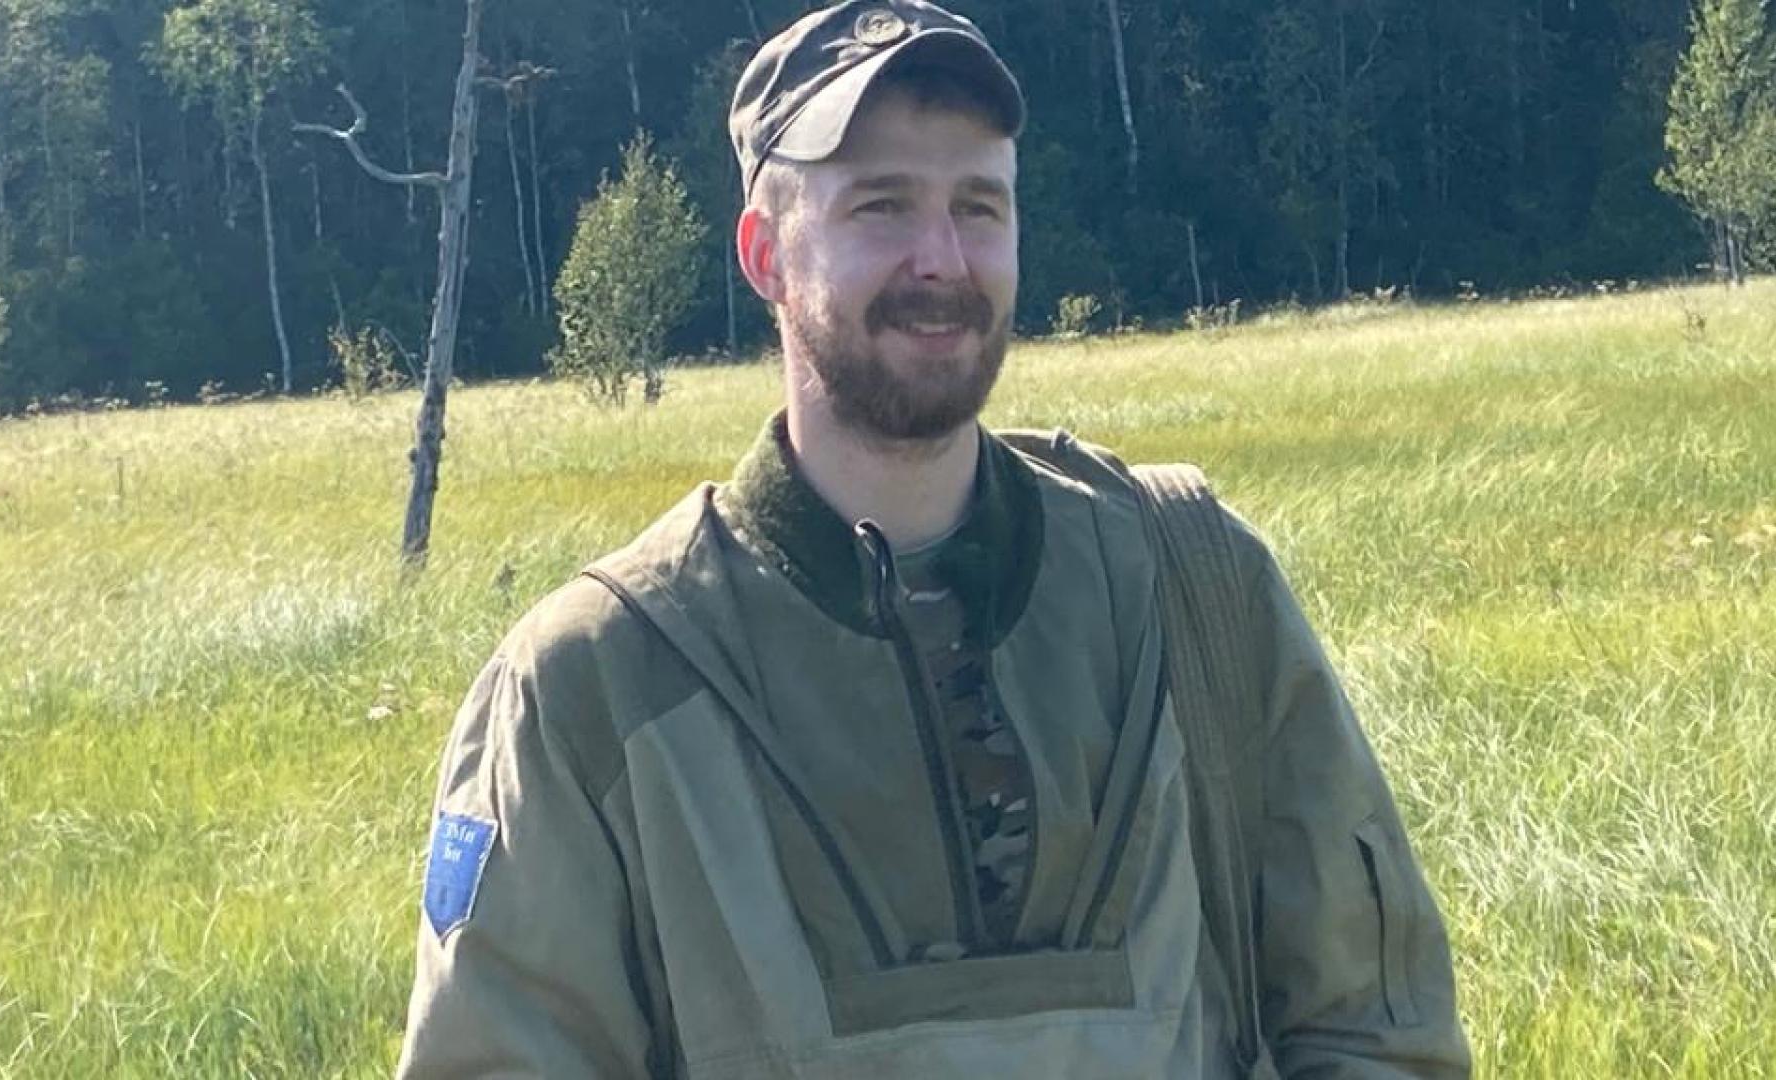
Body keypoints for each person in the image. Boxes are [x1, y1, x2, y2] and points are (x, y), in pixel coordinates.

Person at [398, 2, 1471, 1076]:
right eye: (882, 206)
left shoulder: (1193, 589)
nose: (942, 260)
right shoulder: (595, 685)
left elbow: (1378, 1033)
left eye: (978, 206)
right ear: (766, 254)